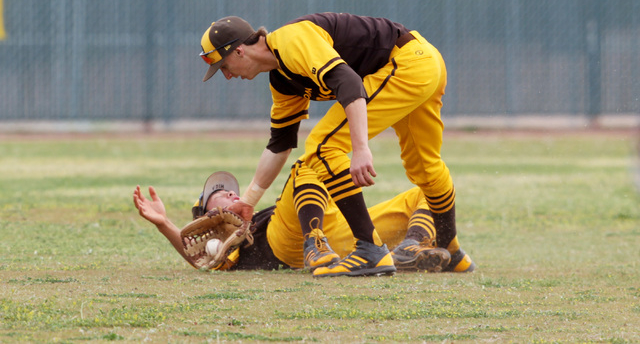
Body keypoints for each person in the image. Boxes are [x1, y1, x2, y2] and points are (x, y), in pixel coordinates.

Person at [197, 13, 475, 277]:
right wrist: (248, 202)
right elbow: (279, 144)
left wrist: (361, 148)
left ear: (238, 51)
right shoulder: (282, 80)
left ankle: (370, 249)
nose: (227, 76)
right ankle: (451, 248)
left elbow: (349, 82)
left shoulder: (289, 41)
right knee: (424, 166)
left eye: (222, 67)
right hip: (426, 62)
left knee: (321, 147)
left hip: (407, 63)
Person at [133, 167, 452, 273]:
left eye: (232, 190)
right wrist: (165, 224)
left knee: (424, 192)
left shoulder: (255, 210)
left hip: (339, 232)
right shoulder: (226, 243)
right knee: (305, 168)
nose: (231, 193)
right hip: (283, 241)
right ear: (204, 216)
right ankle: (315, 246)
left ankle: (412, 246)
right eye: (218, 193)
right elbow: (200, 256)